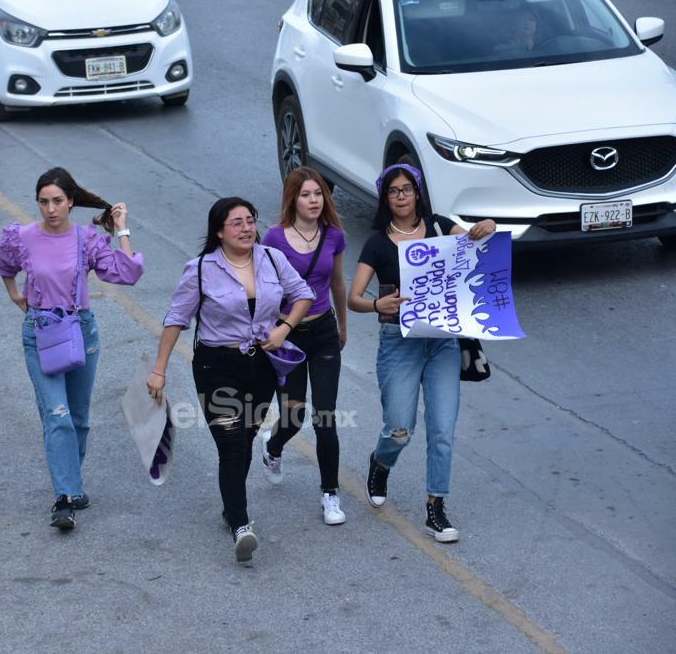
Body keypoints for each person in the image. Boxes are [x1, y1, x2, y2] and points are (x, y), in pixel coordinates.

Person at [148, 197, 314, 563]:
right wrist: (159, 369)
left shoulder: (272, 259)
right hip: (216, 366)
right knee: (231, 444)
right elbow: (176, 318)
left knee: (246, 436)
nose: (246, 228)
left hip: (262, 366)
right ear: (220, 231)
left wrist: (284, 327)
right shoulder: (201, 270)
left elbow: (304, 295)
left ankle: (229, 507)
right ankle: (241, 524)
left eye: (250, 220)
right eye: (236, 223)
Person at [0, 167, 144, 530]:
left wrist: (121, 229)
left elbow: (127, 273)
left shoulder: (85, 239)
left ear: (71, 202)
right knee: (56, 415)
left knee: (78, 417)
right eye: (43, 201)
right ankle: (65, 497)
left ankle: (72, 482)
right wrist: (14, 293)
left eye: (57, 201)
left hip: (80, 331)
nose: (50, 208)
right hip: (40, 331)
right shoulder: (22, 236)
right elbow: (2, 261)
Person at [348, 164, 495, 543]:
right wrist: (379, 304)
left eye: (407, 189)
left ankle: (436, 508)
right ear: (386, 198)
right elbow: (353, 298)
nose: (401, 196)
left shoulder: (440, 227)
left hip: (442, 342)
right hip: (398, 340)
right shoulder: (377, 243)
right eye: (393, 191)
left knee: (442, 430)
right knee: (399, 428)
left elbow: (478, 245)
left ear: (417, 192)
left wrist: (486, 227)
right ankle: (381, 463)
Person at [260, 167, 349, 525]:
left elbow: (338, 283)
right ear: (292, 200)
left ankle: (330, 494)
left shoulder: (334, 236)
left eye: (318, 195)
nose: (314, 201)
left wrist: (343, 325)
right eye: (306, 195)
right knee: (294, 416)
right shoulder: (274, 237)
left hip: (324, 331)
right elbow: (265, 288)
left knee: (325, 418)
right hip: (289, 336)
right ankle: (273, 445)